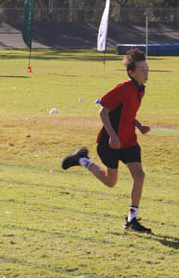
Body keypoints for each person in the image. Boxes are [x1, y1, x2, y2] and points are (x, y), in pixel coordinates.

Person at [61, 48, 153, 233]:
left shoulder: (140, 90)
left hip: (128, 140)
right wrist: (113, 136)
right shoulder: (123, 89)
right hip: (110, 142)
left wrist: (139, 125)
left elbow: (126, 114)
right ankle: (82, 160)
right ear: (131, 72)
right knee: (111, 182)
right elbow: (103, 112)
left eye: (147, 69)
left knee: (139, 175)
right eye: (142, 70)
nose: (146, 73)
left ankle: (131, 220)